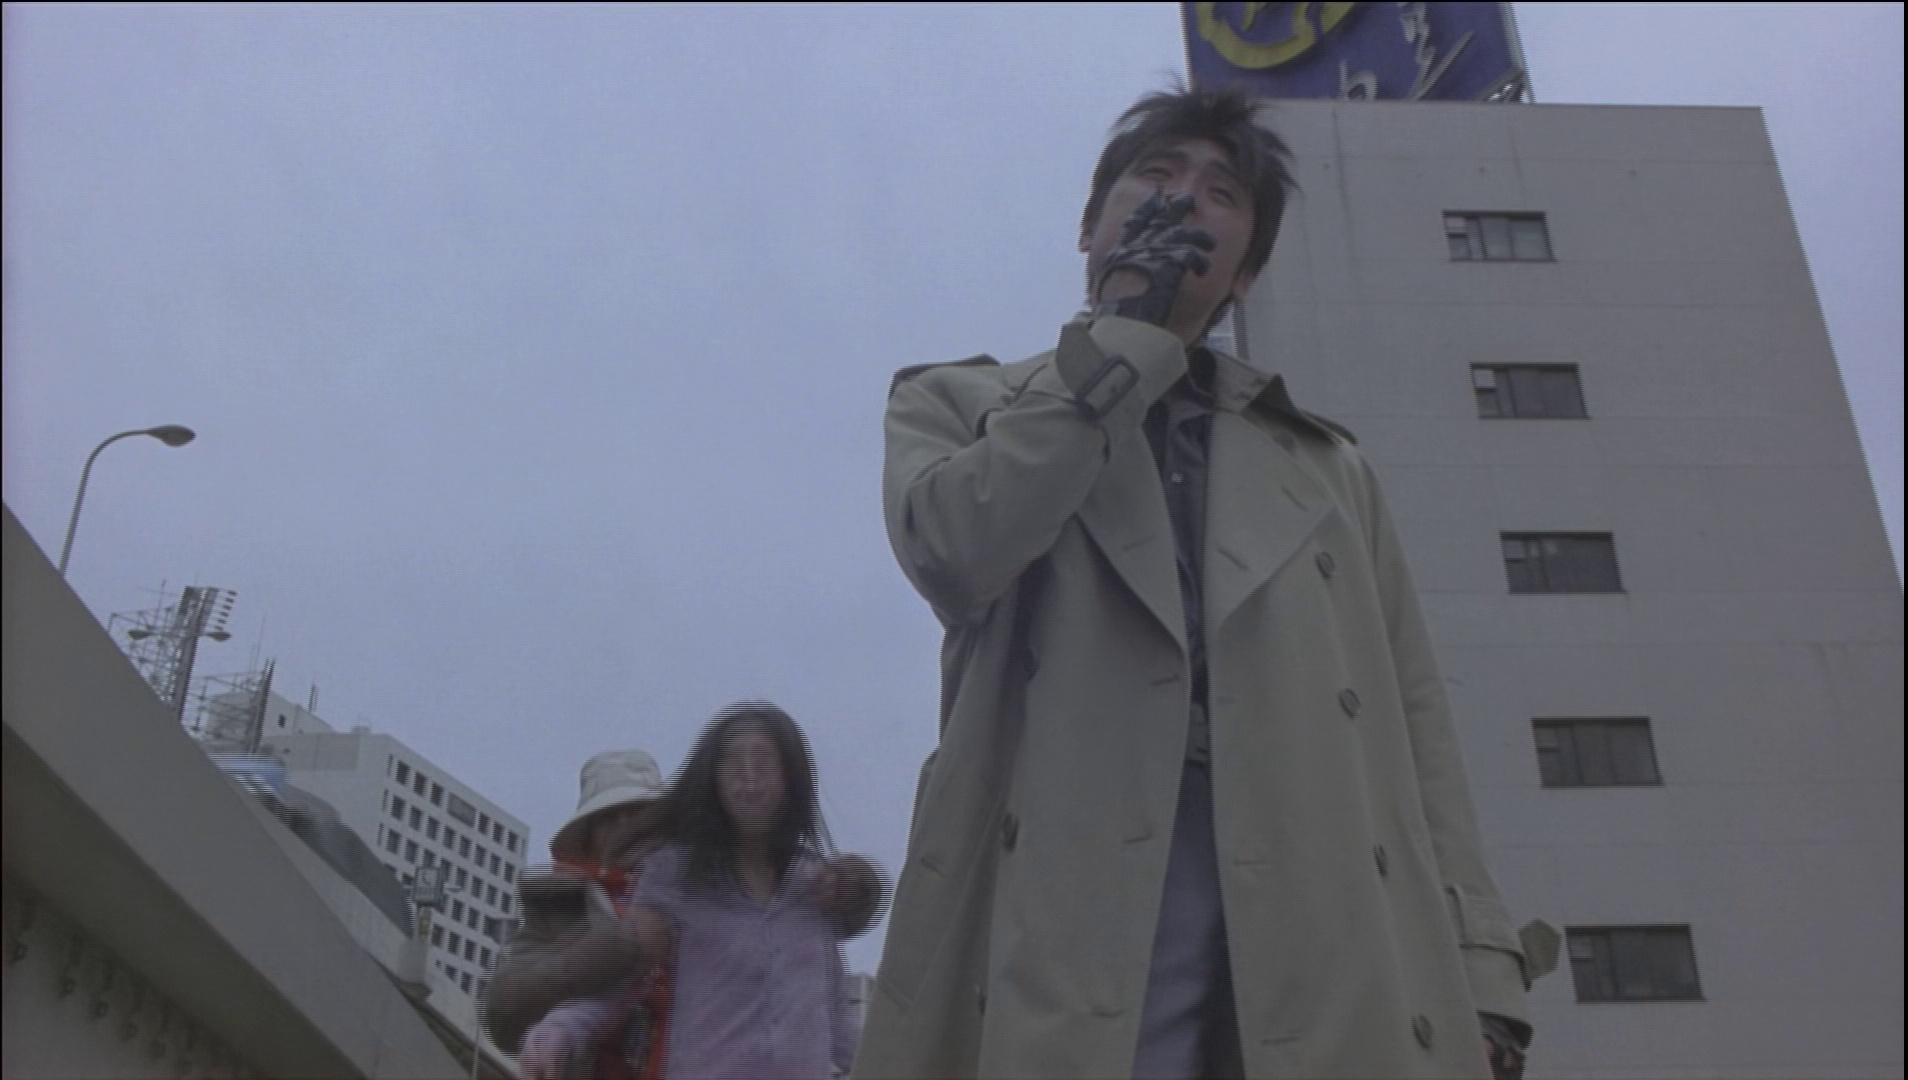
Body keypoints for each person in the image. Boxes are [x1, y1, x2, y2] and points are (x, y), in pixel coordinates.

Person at [859, 82, 1535, 1080]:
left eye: (1223, 193)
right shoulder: (960, 401)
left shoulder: (1328, 465)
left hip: (1322, 885)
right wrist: (1125, 339)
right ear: (1089, 228)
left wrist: (1481, 970)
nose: (1183, 199)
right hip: (1065, 887)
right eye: (1156, 174)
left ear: (1245, 274)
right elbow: (956, 550)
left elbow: (1415, 717)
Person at [481, 745, 880, 1079]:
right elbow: (507, 1008)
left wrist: (854, 882)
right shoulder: (561, 908)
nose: (626, 827)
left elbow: (812, 948)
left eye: (637, 814)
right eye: (609, 819)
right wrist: (621, 952)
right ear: (590, 837)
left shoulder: (711, 888)